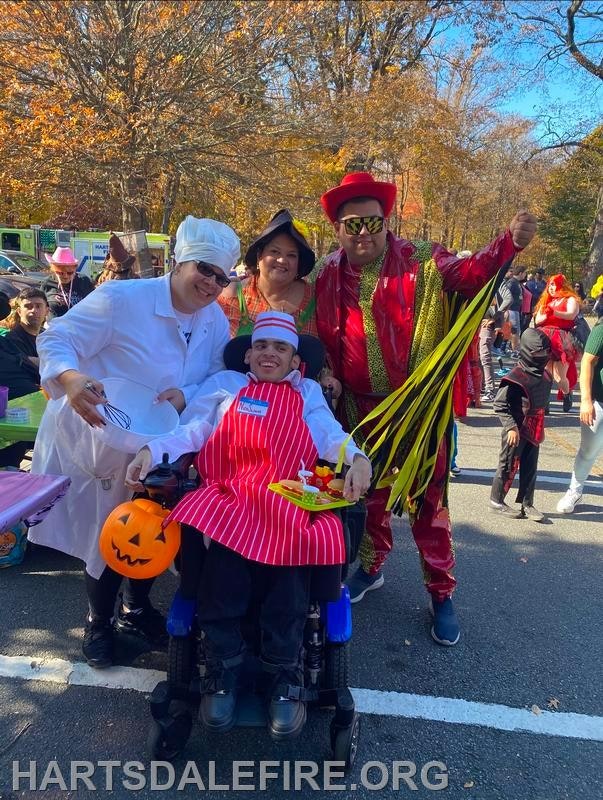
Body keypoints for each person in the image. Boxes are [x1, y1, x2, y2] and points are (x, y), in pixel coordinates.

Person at [314, 171, 537, 646]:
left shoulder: (422, 261)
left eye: (372, 221)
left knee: (428, 503)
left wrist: (508, 245)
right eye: (351, 225)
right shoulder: (326, 272)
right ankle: (371, 566)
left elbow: (473, 273)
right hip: (356, 411)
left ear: (385, 220)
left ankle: (440, 592)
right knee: (365, 492)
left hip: (417, 411)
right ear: (337, 229)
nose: (363, 233)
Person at [125, 312, 371, 739]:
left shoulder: (308, 392)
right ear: (249, 354)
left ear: (295, 360)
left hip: (290, 494)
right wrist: (154, 449)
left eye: (279, 348)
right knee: (223, 561)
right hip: (232, 492)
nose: (268, 354)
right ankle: (224, 666)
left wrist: (358, 458)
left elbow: (329, 434)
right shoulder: (226, 387)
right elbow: (195, 429)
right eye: (261, 347)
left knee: (297, 556)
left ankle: (284, 673)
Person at [29, 215, 241, 669]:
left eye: (221, 277)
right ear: (180, 260)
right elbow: (58, 337)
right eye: (204, 269)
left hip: (160, 443)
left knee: (153, 530)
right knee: (108, 533)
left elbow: (220, 374)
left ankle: (136, 609)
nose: (211, 283)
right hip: (99, 436)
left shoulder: (213, 321)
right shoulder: (122, 299)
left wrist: (188, 394)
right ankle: (98, 623)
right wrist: (71, 377)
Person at [489, 329, 556, 521]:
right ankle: (496, 500)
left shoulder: (546, 376)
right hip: (516, 430)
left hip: (534, 429)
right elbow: (500, 404)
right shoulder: (514, 377)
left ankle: (528, 503)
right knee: (508, 464)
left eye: (545, 352)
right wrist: (510, 427)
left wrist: (541, 427)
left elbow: (541, 403)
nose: (542, 357)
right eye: (537, 353)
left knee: (530, 466)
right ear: (527, 351)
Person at [556, 316, 603, 514]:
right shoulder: (601, 329)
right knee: (588, 451)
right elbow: (587, 362)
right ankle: (574, 491)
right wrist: (585, 400)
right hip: (599, 402)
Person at [533, 273, 581, 411]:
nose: (551, 288)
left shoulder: (570, 299)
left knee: (560, 377)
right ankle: (545, 402)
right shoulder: (546, 300)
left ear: (561, 285)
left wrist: (554, 313)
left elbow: (571, 314)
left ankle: (567, 394)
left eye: (554, 284)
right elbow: (538, 320)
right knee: (546, 374)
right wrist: (546, 311)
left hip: (563, 339)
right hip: (545, 338)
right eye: (550, 285)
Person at [41, 247, 95, 319]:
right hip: (56, 328)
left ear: (75, 269)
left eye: (70, 273)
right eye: (60, 273)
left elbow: (94, 306)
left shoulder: (83, 281)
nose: (65, 276)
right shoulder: (47, 283)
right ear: (53, 270)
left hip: (78, 327)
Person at [5, 287, 48, 374]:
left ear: (47, 311)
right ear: (19, 311)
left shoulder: (47, 336)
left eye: (38, 306)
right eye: (28, 306)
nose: (34, 310)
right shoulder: (12, 340)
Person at [497, 264, 526, 357]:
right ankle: (514, 351)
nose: (525, 275)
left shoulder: (517, 282)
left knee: (514, 330)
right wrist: (505, 310)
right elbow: (504, 296)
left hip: (516, 310)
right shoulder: (512, 282)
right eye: (525, 273)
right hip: (511, 309)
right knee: (514, 330)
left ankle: (506, 348)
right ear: (521, 273)